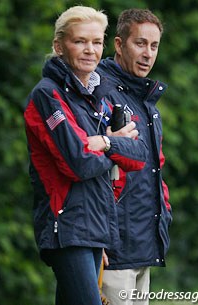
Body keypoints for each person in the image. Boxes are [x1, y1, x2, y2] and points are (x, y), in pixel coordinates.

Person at [23, 6, 148, 305]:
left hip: (95, 229)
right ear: (59, 46)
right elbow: (77, 163)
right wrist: (112, 147)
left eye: (96, 41)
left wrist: (103, 142)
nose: (90, 50)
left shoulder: (98, 96)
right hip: (67, 228)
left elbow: (138, 157)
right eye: (80, 41)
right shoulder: (47, 94)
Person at [95, 8, 172, 305]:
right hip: (112, 248)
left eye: (154, 46)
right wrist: (94, 239)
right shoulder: (98, 90)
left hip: (144, 243)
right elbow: (87, 168)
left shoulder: (147, 102)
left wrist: (164, 211)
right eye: (140, 43)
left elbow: (156, 169)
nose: (148, 54)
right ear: (118, 44)